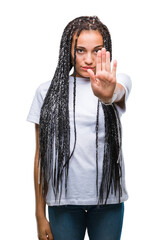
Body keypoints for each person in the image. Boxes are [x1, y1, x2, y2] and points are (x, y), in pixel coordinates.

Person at [27, 16, 132, 240]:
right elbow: (40, 156)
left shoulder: (115, 81)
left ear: (106, 52)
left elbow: (118, 92)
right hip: (63, 202)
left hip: (107, 201)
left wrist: (107, 94)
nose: (89, 59)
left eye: (97, 50)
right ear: (69, 51)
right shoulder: (47, 92)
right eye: (81, 50)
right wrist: (39, 214)